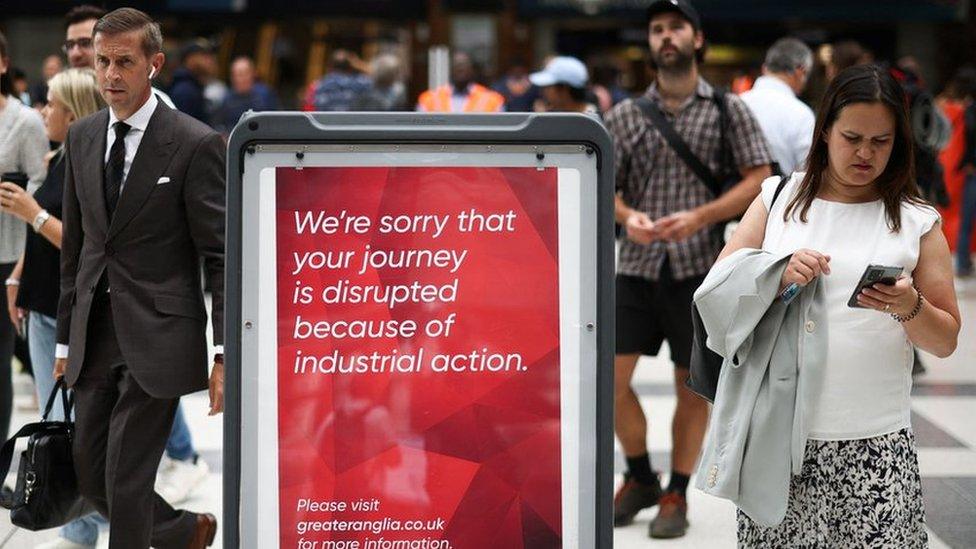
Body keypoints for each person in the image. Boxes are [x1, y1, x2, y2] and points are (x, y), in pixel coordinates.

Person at [709, 63, 960, 548]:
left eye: (881, 141)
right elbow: (716, 293)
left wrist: (908, 305)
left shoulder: (916, 222)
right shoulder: (776, 198)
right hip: (778, 438)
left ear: (898, 142)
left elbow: (946, 339)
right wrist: (775, 271)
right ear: (824, 131)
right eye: (852, 137)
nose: (865, 153)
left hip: (875, 442)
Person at [54, 9, 224, 548]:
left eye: (124, 62)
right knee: (90, 474)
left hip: (160, 336)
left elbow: (219, 255)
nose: (109, 75)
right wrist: (63, 338)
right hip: (93, 335)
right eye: (102, 62)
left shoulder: (195, 142)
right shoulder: (82, 137)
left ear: (154, 64)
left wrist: (225, 354)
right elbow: (77, 250)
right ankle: (182, 532)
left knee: (126, 479)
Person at [605, 0, 773, 539]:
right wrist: (629, 217)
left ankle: (676, 489)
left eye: (676, 27)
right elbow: (604, 184)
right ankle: (637, 476)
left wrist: (700, 216)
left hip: (701, 271)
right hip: (634, 264)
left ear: (697, 39)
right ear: (650, 43)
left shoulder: (729, 110)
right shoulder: (626, 114)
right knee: (606, 380)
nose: (666, 36)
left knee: (690, 386)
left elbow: (759, 179)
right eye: (657, 30)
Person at [2, 68, 105, 549]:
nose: (45, 111)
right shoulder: (59, 156)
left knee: (71, 424)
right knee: (61, 419)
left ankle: (86, 524)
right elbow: (40, 240)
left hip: (64, 306)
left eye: (52, 106)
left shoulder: (86, 163)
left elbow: (83, 244)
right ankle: (81, 523)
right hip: (41, 299)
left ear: (73, 111)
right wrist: (18, 274)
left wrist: (31, 212)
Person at [0, 30, 49, 453]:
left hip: (13, 256)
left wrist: (15, 196)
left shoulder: (24, 121)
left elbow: (42, 183)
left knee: (5, 362)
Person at [740, 37, 816, 175]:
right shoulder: (801, 114)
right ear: (800, 72)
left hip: (732, 195)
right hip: (782, 195)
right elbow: (809, 173)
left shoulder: (738, 102)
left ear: (765, 68)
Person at [416, 51, 505, 113]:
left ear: (472, 69)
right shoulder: (429, 99)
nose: (460, 69)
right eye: (457, 65)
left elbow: (502, 134)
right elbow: (419, 132)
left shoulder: (493, 99)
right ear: (450, 69)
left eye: (464, 65)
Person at [214, 55, 279, 133]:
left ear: (253, 74)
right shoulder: (227, 98)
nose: (240, 79)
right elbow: (219, 125)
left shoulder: (265, 95)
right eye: (236, 75)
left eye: (244, 74)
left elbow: (276, 123)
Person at [303, 49, 372, 112]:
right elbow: (379, 77)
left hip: (324, 124)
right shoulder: (364, 83)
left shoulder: (316, 85)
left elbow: (308, 110)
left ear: (329, 66)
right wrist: (359, 64)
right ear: (352, 67)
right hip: (354, 124)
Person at [529, 55, 599, 115]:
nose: (542, 92)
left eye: (547, 86)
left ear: (563, 89)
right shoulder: (549, 117)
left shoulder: (599, 122)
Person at [956, 67, 976, 276]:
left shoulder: (969, 109)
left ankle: (962, 262)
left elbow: (968, 138)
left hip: (973, 169)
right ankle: (962, 262)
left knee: (967, 218)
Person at [168, 39, 212, 124]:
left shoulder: (194, 86)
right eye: (204, 55)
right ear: (190, 59)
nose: (209, 60)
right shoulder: (184, 91)